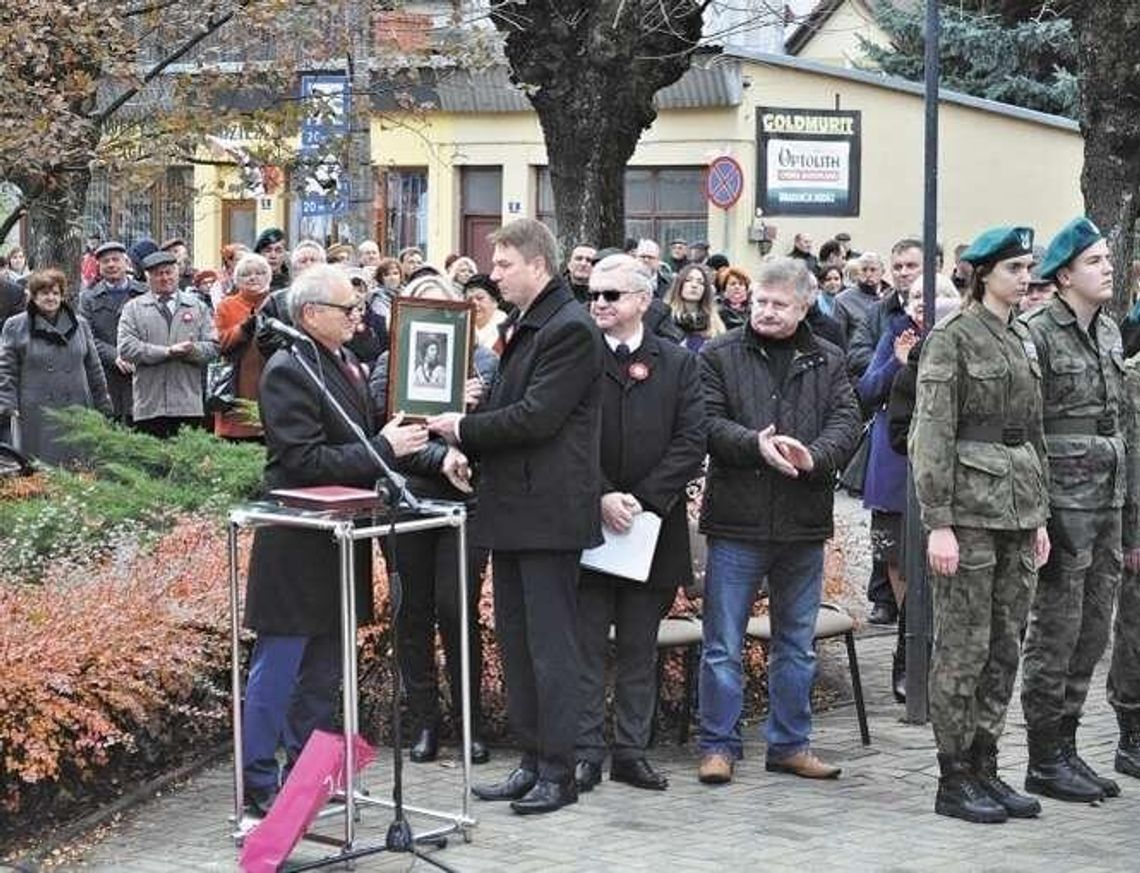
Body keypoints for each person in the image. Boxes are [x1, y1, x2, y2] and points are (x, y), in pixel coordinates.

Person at [427, 218, 604, 815]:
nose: (493, 275)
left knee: (551, 649)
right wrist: (472, 420)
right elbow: (515, 405)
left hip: (548, 512)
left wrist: (462, 428)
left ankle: (561, 770)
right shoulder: (529, 324)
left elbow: (538, 417)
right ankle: (531, 761)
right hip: (513, 508)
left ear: (537, 264)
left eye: (504, 265)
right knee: (519, 643)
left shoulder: (569, 327)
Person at [240, 265, 431, 816]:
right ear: (309, 314)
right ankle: (259, 782)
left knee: (324, 672)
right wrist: (383, 447)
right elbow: (302, 461)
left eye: (358, 307)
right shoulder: (287, 369)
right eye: (347, 309)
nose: (357, 316)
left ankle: (310, 770)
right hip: (297, 542)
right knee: (279, 669)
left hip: (341, 539)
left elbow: (362, 438)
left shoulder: (344, 361)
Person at [696, 257, 860, 785]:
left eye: (778, 304)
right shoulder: (719, 353)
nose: (765, 311)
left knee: (796, 643)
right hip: (737, 521)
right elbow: (706, 421)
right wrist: (754, 446)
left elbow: (847, 421)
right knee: (722, 643)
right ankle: (718, 746)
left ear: (804, 305)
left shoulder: (827, 359)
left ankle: (790, 744)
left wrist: (813, 456)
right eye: (760, 301)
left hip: (801, 520)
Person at [910, 225, 1050, 824]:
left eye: (1028, 268)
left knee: (1003, 643)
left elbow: (1033, 433)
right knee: (963, 647)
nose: (1025, 278)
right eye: (1015, 268)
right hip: (967, 512)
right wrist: (937, 522)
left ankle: (987, 765)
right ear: (984, 273)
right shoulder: (953, 337)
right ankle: (954, 775)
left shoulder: (1022, 335)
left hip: (1018, 508)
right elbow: (932, 433)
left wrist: (1040, 515)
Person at [574, 254, 706, 794]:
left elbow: (691, 440)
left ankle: (630, 750)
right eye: (594, 295)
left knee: (637, 646)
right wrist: (603, 495)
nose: (599, 303)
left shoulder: (676, 362)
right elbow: (568, 438)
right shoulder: (577, 358)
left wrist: (643, 500)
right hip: (587, 524)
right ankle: (584, 751)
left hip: (651, 528)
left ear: (643, 301)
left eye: (612, 295)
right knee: (584, 646)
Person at [1019, 216, 1134, 803]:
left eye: (1107, 260)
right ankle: (1042, 756)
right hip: (1062, 506)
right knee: (1055, 631)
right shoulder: (1036, 333)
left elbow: (1121, 425)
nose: (1107, 268)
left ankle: (1066, 744)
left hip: (1106, 502)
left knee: (1092, 632)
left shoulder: (1110, 331)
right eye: (1094, 262)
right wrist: (1037, 514)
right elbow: (1026, 430)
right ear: (1063, 277)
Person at [369, 271, 498, 766]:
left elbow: (502, 436)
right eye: (418, 302)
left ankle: (471, 723)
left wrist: (471, 417)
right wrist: (438, 456)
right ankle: (425, 721)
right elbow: (382, 440)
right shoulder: (388, 364)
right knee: (412, 614)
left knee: (456, 609)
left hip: (465, 505)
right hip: (406, 499)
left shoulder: (485, 363)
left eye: (441, 301)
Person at [858, 273, 958, 703]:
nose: (925, 302)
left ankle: (933, 651)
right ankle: (909, 644)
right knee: (898, 560)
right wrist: (897, 363)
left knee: (940, 565)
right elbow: (865, 390)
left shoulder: (960, 339)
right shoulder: (895, 336)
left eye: (936, 294)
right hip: (896, 459)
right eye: (917, 296)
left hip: (944, 464)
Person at [0, 269, 112, 464]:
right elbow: (5, 369)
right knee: (39, 470)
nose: (50, 298)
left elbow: (94, 368)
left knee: (78, 467)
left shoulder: (80, 325)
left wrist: (103, 402)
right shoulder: (15, 326)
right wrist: (7, 404)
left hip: (77, 407)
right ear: (34, 297)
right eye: (44, 293)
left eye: (56, 293)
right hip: (35, 411)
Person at [117, 251, 219, 438]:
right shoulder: (134, 308)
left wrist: (191, 350)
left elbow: (213, 347)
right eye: (158, 274)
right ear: (148, 277)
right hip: (149, 406)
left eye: (169, 272)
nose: (165, 278)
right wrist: (166, 352)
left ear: (177, 273)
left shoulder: (198, 307)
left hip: (188, 405)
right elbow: (126, 347)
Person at [77, 241, 148, 424]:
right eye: (105, 261)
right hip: (105, 374)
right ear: (99, 267)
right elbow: (87, 336)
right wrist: (115, 355)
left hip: (141, 372)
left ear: (126, 263)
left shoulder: (144, 293)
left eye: (116, 260)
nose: (111, 265)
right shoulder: (89, 298)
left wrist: (133, 353)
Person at [212, 253, 273, 441]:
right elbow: (219, 344)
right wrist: (243, 329)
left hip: (271, 383)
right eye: (247, 274)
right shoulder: (226, 306)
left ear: (268, 276)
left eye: (260, 273)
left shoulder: (277, 303)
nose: (253, 277)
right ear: (237, 280)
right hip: (237, 387)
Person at [663, 263, 725, 353]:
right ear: (679, 285)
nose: (694, 285)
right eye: (688, 280)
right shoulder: (665, 317)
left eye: (700, 282)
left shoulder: (715, 324)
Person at [832, 252, 886, 349]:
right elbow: (839, 340)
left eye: (873, 270)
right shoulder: (843, 300)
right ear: (858, 273)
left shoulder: (891, 296)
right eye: (864, 270)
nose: (868, 274)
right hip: (857, 357)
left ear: (882, 271)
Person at [465, 273, 507, 350]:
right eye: (469, 300)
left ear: (495, 302)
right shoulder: (463, 326)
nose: (474, 303)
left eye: (480, 298)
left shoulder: (507, 330)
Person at [716, 266, 751, 331]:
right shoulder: (719, 312)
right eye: (733, 284)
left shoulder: (754, 309)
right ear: (725, 289)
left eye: (741, 284)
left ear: (746, 289)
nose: (737, 287)